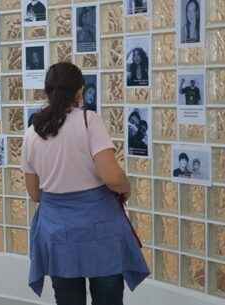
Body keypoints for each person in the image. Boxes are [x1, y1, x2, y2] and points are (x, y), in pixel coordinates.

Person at [22, 62, 149, 305]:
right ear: (80, 91)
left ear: (47, 92)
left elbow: (35, 194)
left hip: (57, 230)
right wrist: (126, 188)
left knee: (68, 298)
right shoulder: (89, 121)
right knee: (107, 297)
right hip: (99, 228)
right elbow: (112, 177)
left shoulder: (32, 132)